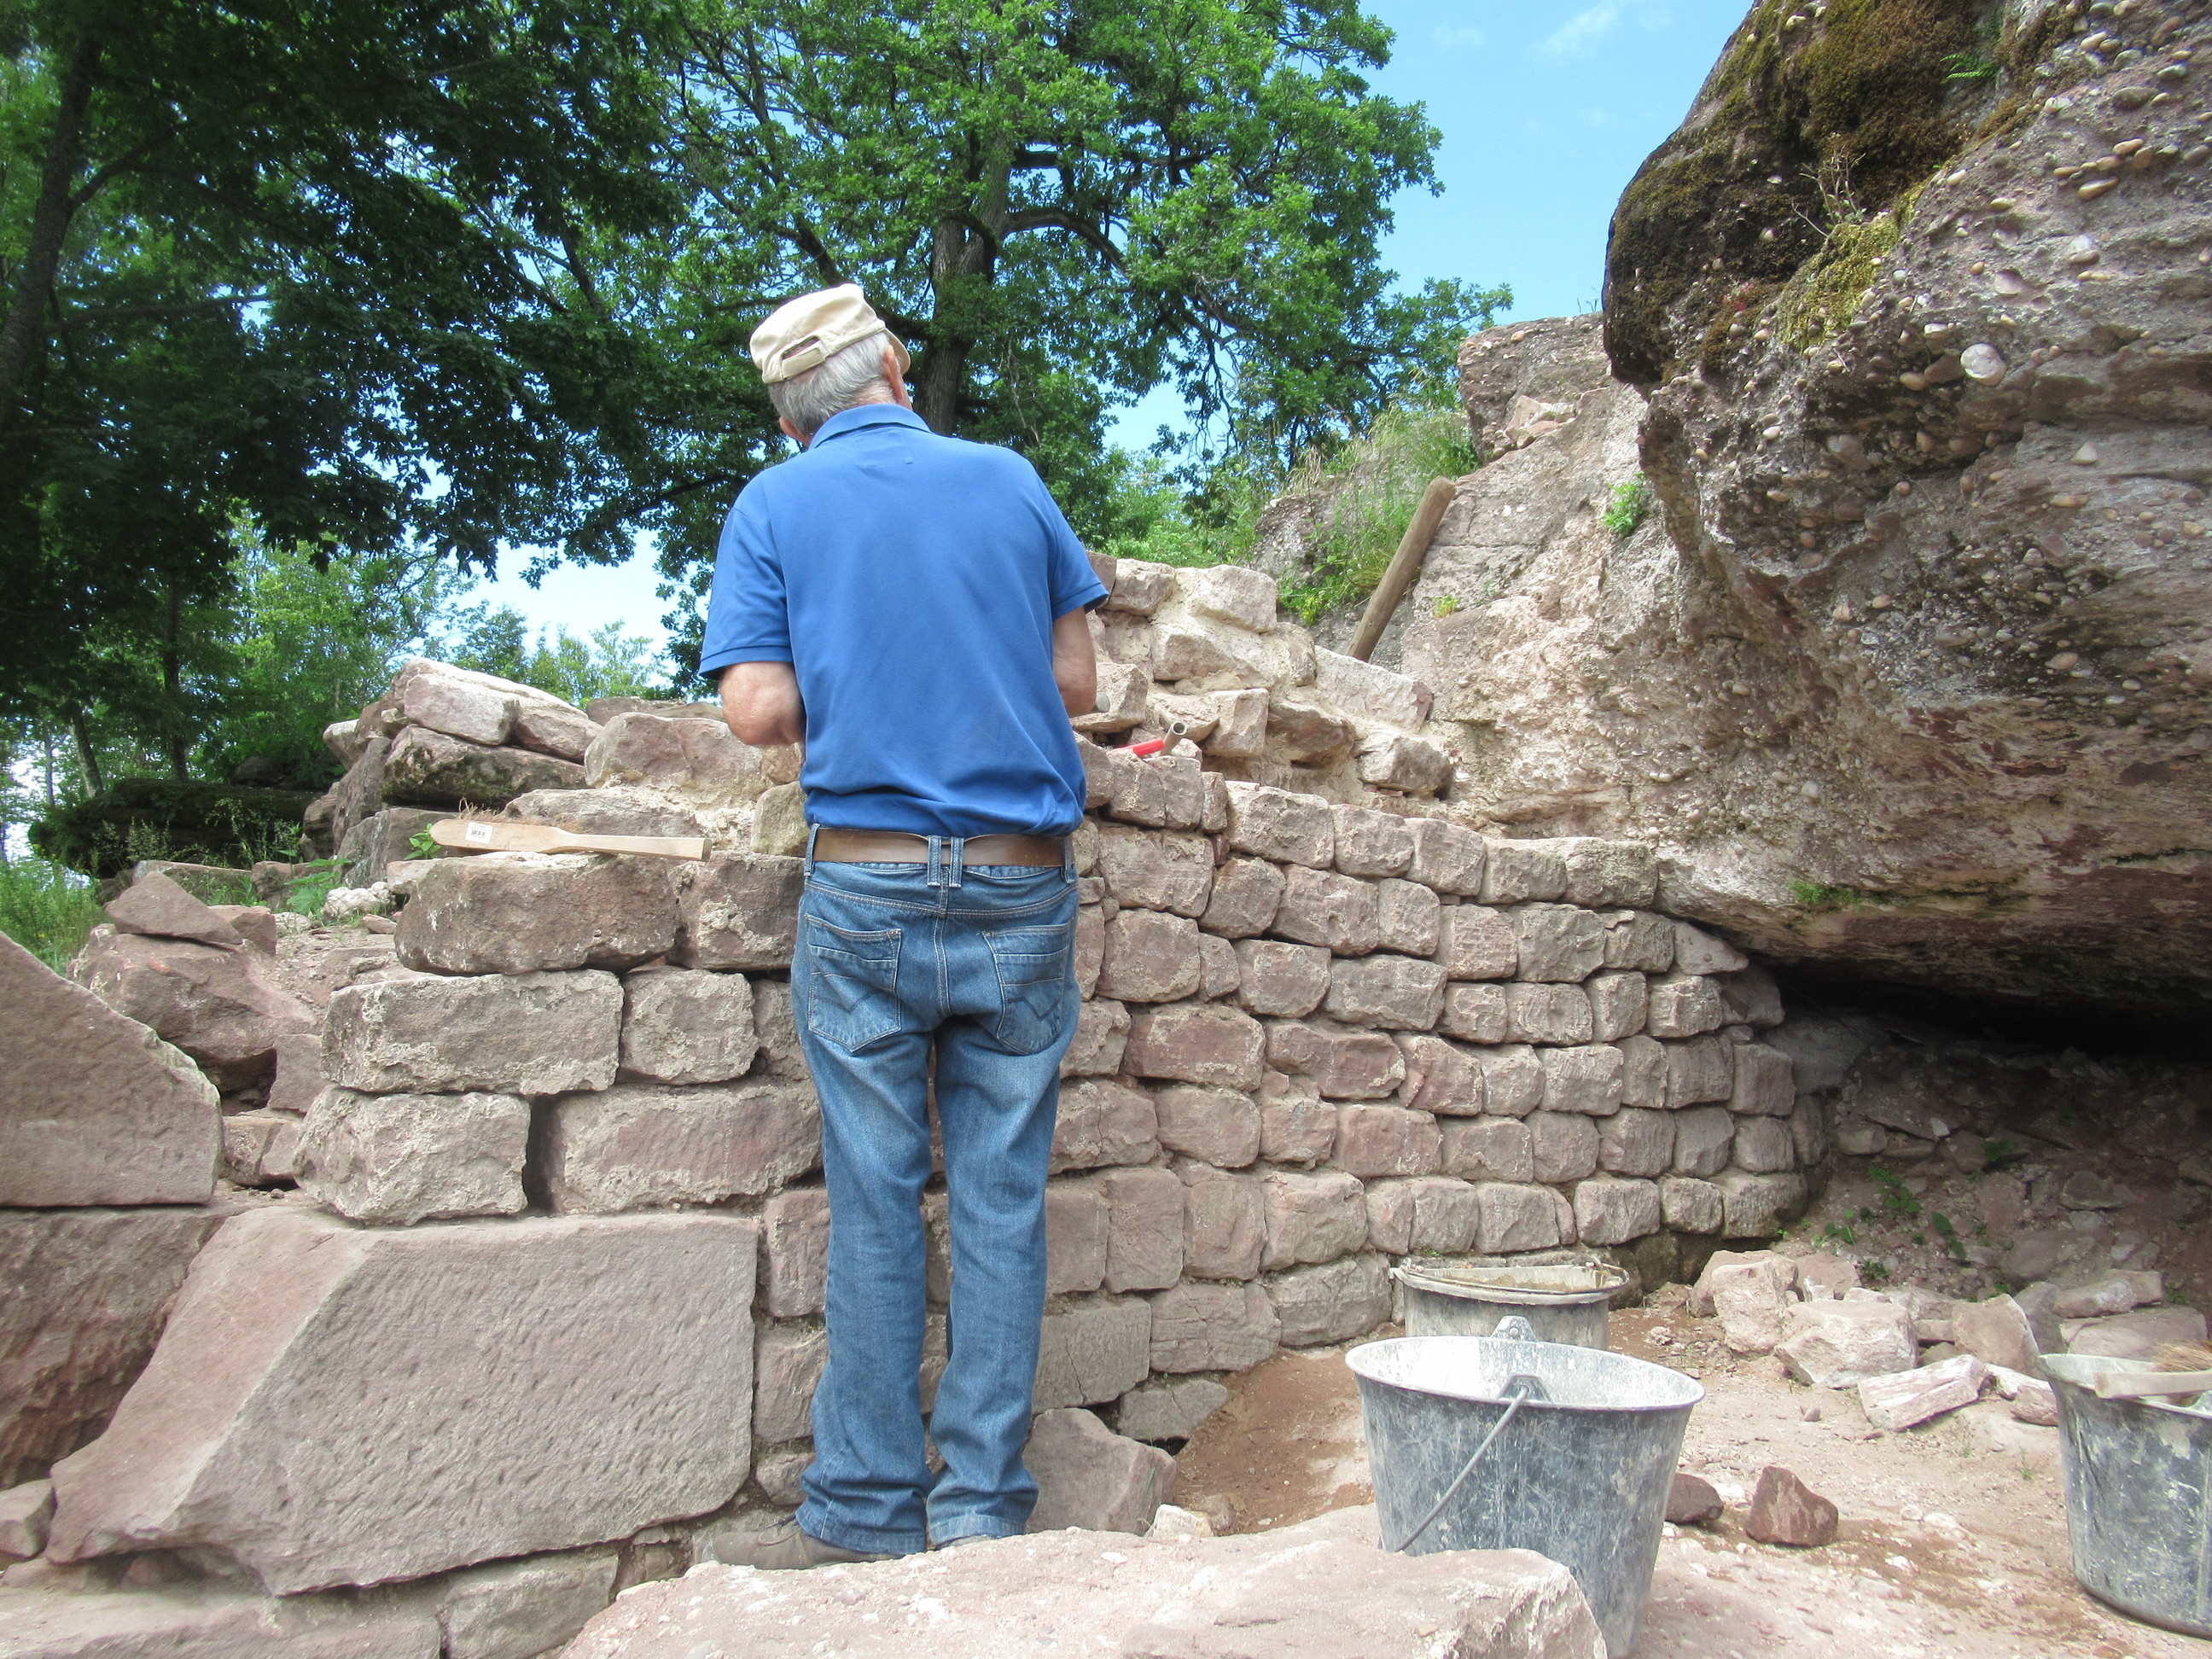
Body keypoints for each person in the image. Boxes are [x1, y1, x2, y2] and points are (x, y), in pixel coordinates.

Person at [699, 284, 1107, 1566]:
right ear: (892, 362)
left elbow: (757, 712)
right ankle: (980, 1504)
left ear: (789, 421)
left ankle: (868, 1508)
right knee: (1002, 1195)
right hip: (1020, 880)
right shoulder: (1009, 480)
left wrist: (862, 683)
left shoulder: (775, 503)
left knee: (874, 1193)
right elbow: (1078, 681)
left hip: (867, 883)